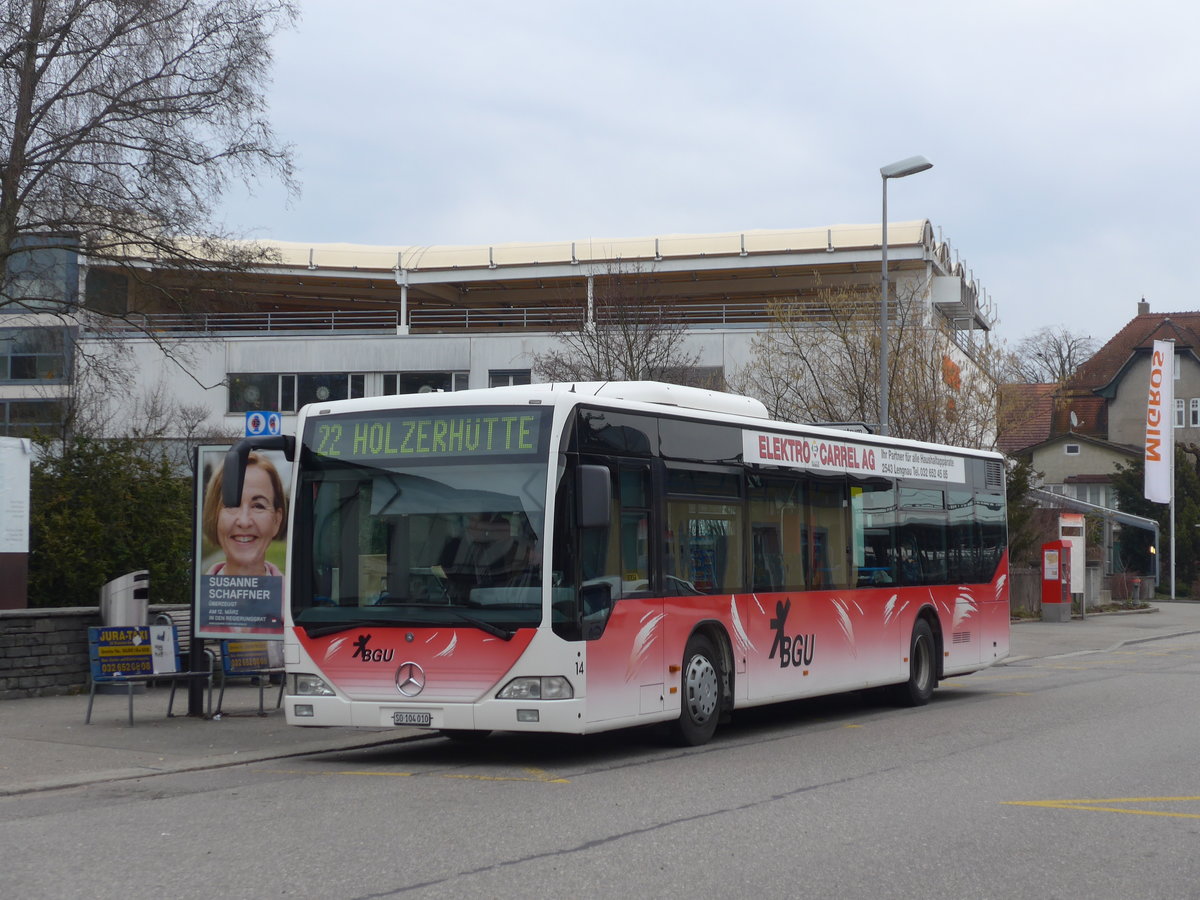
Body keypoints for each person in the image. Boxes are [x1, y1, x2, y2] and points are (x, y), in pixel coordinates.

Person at [202, 452, 286, 577]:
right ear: (214, 515)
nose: (244, 521)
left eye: (258, 506)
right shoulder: (196, 595)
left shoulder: (295, 595)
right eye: (232, 505)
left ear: (276, 520)